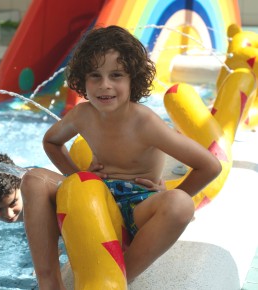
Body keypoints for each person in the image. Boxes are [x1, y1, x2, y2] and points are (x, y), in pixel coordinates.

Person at [20, 25, 222, 289]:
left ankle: (122, 276)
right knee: (33, 179)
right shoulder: (82, 115)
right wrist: (76, 175)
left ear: (132, 79)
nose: (105, 85)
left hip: (137, 207)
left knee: (181, 204)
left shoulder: (144, 122)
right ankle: (49, 282)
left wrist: (171, 193)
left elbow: (209, 165)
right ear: (82, 80)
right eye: (95, 76)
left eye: (116, 75)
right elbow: (51, 141)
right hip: (93, 198)